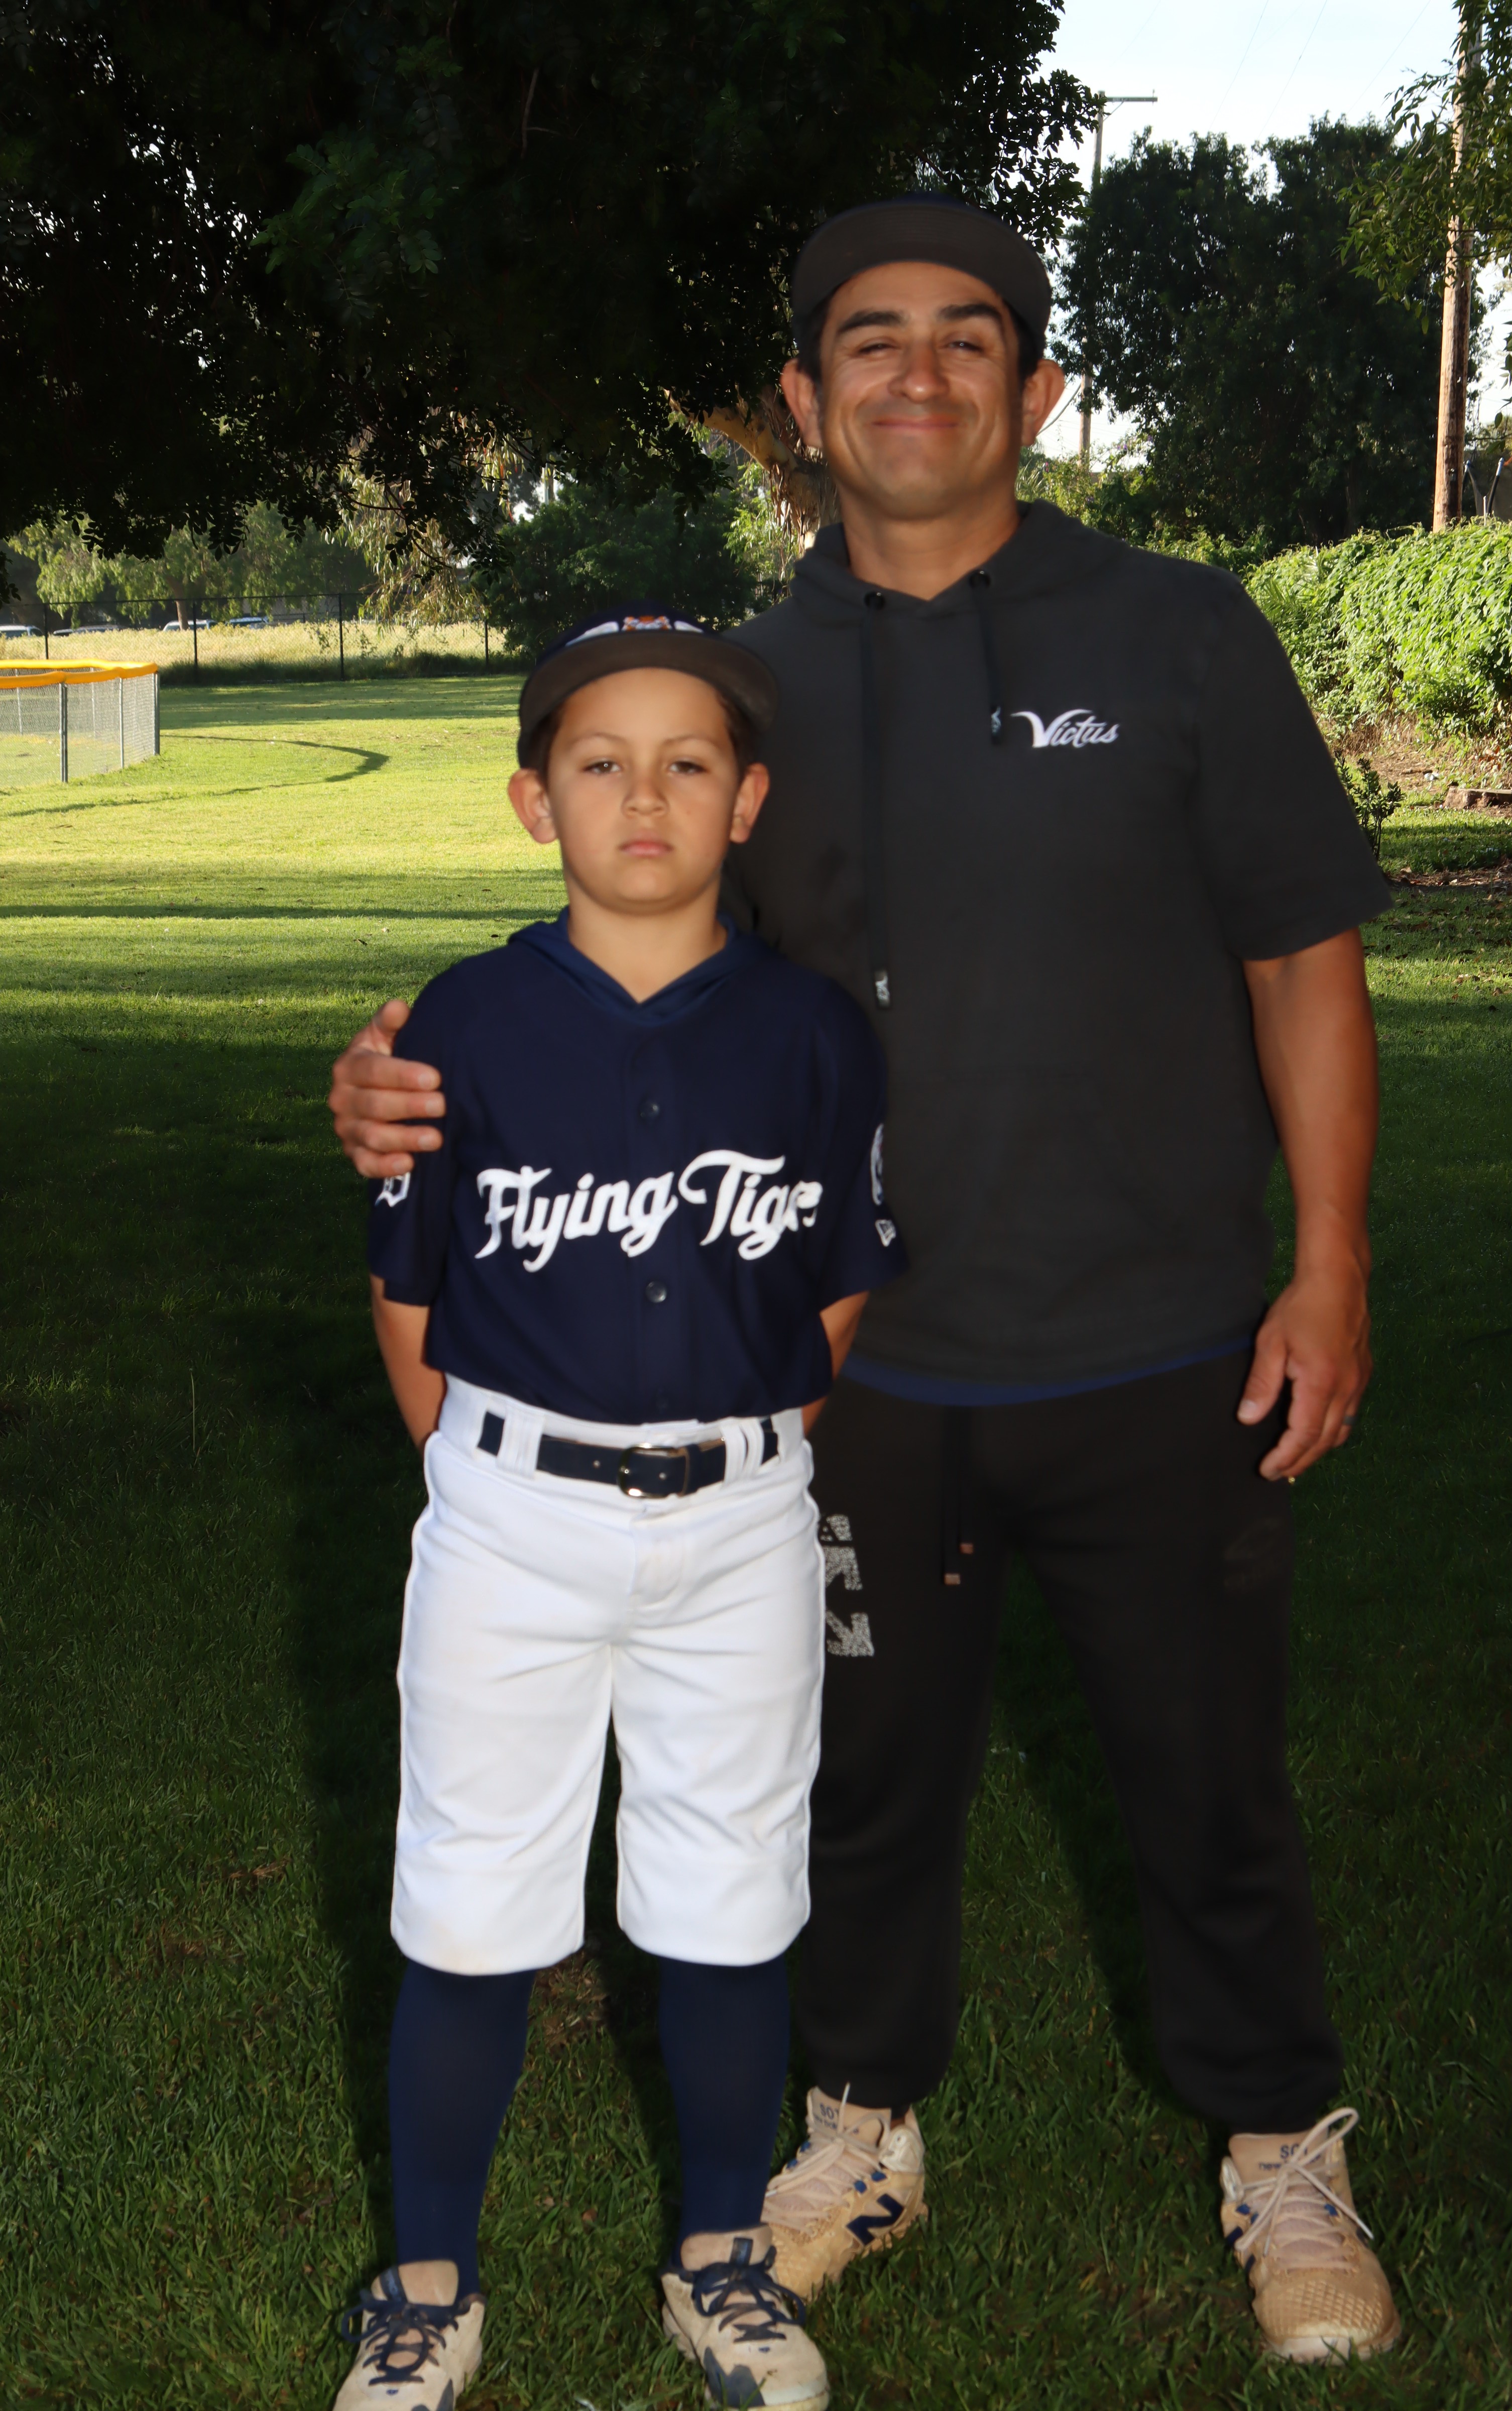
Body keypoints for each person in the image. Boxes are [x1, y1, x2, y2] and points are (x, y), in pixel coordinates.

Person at [329, 196, 1402, 2365]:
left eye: (967, 337)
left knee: (1208, 1779)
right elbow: (636, 974)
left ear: (1038, 390)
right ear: (801, 403)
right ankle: (851, 2129)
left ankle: (1280, 2152)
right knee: (855, 1789)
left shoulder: (1179, 633)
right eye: (870, 342)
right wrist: (402, 1081)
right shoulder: (747, 685)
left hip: (1164, 1331)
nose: (918, 375)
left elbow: (1302, 958)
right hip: (846, 1367)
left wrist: (1330, 1260)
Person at [332, 606, 905, 2411]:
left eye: (687, 763)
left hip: (741, 1522)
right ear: (535, 800)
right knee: (468, 1904)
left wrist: (731, 1457)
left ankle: (723, 2262)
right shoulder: (463, 1023)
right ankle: (428, 2284)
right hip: (511, 1515)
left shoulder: (815, 1034)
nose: (644, 797)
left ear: (748, 801)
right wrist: (496, 1474)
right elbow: (412, 1303)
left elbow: (836, 1287)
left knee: (732, 1898)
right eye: (600, 763)